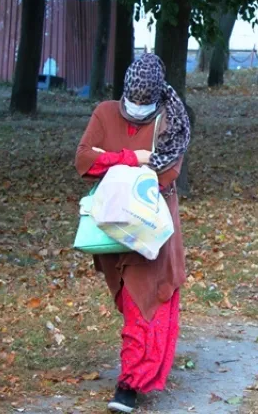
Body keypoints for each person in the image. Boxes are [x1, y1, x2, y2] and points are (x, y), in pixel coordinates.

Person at [75, 54, 191, 413]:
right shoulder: (105, 113)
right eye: (132, 102)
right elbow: (83, 160)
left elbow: (165, 175)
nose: (136, 109)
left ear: (156, 98)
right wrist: (132, 158)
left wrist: (109, 161)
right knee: (126, 300)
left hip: (150, 225)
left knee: (144, 300)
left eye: (145, 104)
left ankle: (128, 384)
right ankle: (134, 372)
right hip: (111, 224)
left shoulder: (171, 122)